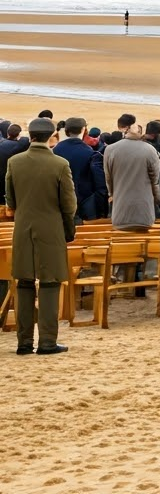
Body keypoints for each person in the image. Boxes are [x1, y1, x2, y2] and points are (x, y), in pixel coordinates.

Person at [5, 118, 77, 354]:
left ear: (31, 134)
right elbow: (69, 204)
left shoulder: (14, 162)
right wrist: (68, 229)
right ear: (52, 136)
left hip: (23, 227)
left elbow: (11, 200)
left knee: (24, 282)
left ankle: (24, 342)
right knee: (50, 282)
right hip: (51, 227)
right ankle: (47, 341)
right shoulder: (60, 164)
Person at [104, 122, 160, 232]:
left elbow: (108, 178)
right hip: (144, 209)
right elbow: (155, 180)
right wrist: (157, 200)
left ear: (126, 132)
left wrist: (111, 194)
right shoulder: (150, 150)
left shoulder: (110, 149)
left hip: (120, 208)